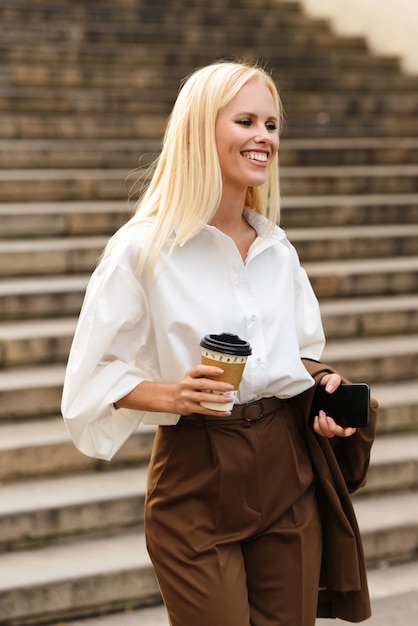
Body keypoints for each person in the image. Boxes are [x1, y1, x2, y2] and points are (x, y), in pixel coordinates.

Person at [61, 60, 378, 626]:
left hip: (287, 467)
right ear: (200, 130)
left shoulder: (278, 250)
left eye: (272, 125)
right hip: (196, 470)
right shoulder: (142, 250)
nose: (264, 138)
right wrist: (173, 396)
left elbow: (297, 356)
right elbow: (90, 375)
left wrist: (323, 388)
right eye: (247, 121)